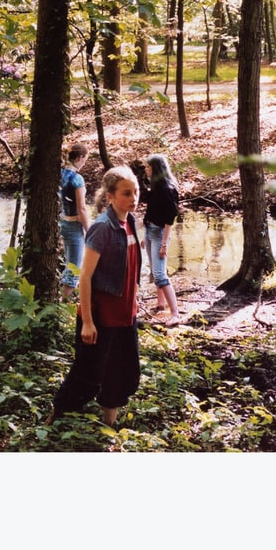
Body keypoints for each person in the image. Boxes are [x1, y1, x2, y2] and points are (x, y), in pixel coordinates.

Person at [47, 165, 142, 428]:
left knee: (123, 372)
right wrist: (88, 321)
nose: (133, 198)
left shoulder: (130, 221)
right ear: (110, 196)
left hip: (126, 314)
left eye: (136, 192)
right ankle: (55, 420)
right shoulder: (102, 228)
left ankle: (109, 425)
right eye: (126, 193)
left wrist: (135, 299)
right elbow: (85, 277)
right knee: (87, 375)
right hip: (101, 316)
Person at [141, 152, 180, 327]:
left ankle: (175, 314)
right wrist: (144, 236)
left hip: (159, 234)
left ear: (156, 169)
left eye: (148, 167)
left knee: (159, 274)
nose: (146, 170)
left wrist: (164, 244)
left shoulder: (167, 189)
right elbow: (150, 209)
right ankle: (160, 304)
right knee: (154, 271)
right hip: (150, 230)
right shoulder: (156, 187)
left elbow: (170, 218)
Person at [59, 143, 90, 299]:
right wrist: (89, 230)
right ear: (79, 158)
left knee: (67, 261)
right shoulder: (77, 179)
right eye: (85, 159)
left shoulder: (59, 173)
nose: (85, 162)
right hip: (74, 225)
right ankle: (64, 302)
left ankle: (64, 297)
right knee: (74, 266)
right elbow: (82, 208)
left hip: (61, 222)